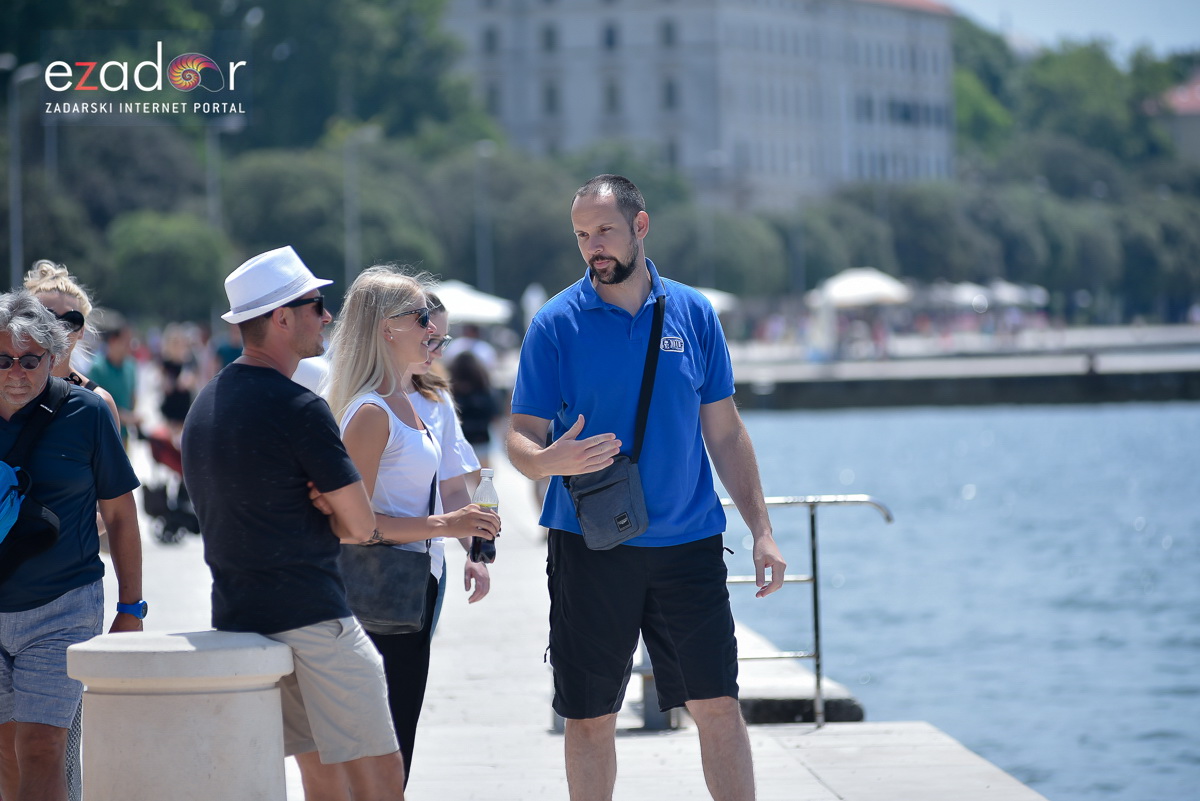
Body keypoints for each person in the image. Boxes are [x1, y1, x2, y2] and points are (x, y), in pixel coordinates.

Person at [505, 175, 786, 801]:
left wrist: (762, 532)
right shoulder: (556, 323)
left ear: (641, 225)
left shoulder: (693, 312)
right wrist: (550, 459)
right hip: (590, 545)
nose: (593, 246)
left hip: (689, 545)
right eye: (581, 235)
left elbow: (726, 431)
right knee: (589, 716)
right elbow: (518, 439)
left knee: (717, 706)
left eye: (603, 230)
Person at [181, 246, 409, 801]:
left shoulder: (204, 407)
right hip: (313, 615)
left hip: (239, 614)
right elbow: (360, 526)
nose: (328, 316)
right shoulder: (300, 408)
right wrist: (331, 506)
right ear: (281, 317)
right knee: (380, 775)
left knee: (318, 778)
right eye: (317, 304)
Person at [326, 267, 500, 784]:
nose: (433, 330)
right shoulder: (375, 411)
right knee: (383, 751)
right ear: (386, 327)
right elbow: (349, 526)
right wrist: (449, 524)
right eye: (422, 317)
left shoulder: (409, 404)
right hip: (378, 595)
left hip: (408, 590)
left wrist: (464, 536)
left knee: (396, 743)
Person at [0, 291, 144, 801]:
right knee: (4, 752)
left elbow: (122, 516)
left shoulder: (88, 413)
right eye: (3, 359)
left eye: (31, 360)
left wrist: (133, 607)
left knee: (41, 746)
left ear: (55, 354)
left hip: (62, 607)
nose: (16, 371)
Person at [406, 292, 489, 631]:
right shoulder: (360, 398)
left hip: (427, 564)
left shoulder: (437, 398)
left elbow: (453, 488)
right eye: (430, 340)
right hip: (363, 561)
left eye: (443, 340)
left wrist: (475, 552)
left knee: (412, 678)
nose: (439, 352)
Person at [23, 261, 120, 428]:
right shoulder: (7, 391)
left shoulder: (98, 404)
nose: (59, 328)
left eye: (71, 320)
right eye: (48, 318)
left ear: (81, 331)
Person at [85, 315, 140, 447]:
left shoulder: (131, 366)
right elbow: (93, 404)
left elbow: (132, 395)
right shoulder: (97, 368)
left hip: (124, 436)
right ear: (113, 341)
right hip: (101, 437)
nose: (130, 345)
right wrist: (125, 417)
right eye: (126, 341)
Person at [447, 350, 499, 470]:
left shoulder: (450, 393)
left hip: (457, 442)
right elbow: (494, 416)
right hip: (481, 439)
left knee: (459, 484)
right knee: (482, 482)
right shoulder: (485, 390)